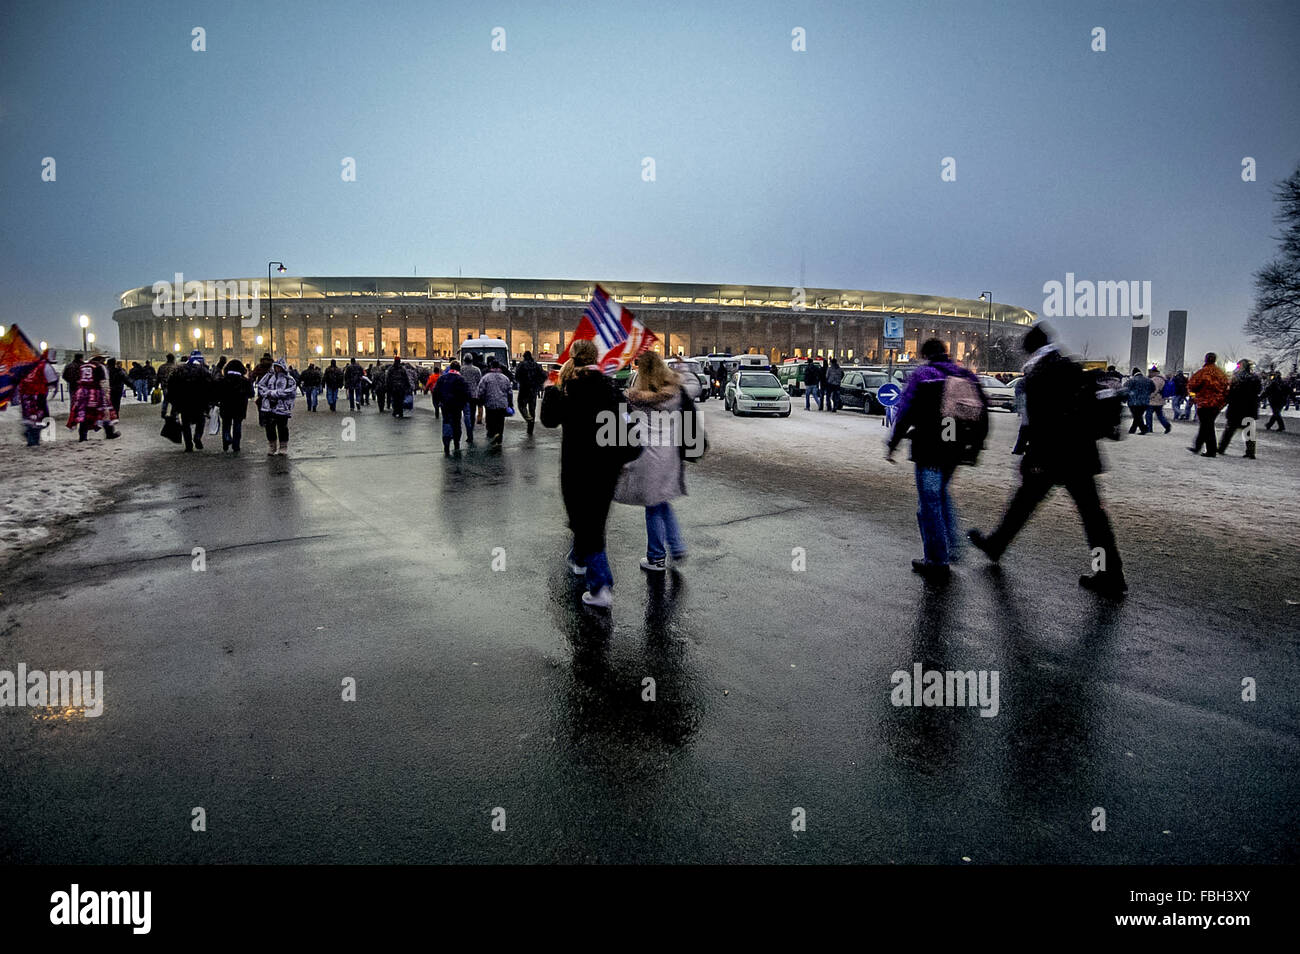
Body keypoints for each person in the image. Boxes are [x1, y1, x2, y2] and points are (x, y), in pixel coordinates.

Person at [967, 324, 1127, 597]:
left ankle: (997, 545)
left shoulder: (1040, 374)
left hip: (1052, 456)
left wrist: (1032, 457)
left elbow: (1041, 423)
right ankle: (1108, 573)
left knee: (1024, 504)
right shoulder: (1068, 365)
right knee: (1092, 519)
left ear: (1030, 350)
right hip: (1080, 456)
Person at [540, 339, 636, 609]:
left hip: (577, 467)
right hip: (606, 469)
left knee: (586, 523)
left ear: (573, 357)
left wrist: (550, 390)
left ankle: (601, 585)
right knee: (593, 520)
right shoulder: (610, 388)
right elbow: (628, 429)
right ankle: (579, 559)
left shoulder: (569, 389)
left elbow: (548, 420)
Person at [885, 338, 988, 580]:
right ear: (946, 352)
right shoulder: (966, 375)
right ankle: (952, 547)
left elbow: (906, 411)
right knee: (941, 495)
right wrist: (976, 448)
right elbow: (983, 412)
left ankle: (937, 560)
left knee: (929, 503)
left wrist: (893, 443)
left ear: (925, 355)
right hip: (955, 449)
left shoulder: (924, 375)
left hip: (929, 448)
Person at [615, 351, 691, 572]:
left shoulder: (636, 398)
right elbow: (692, 391)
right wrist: (682, 368)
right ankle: (676, 546)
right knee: (661, 500)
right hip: (671, 454)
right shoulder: (675, 393)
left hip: (648, 454)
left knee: (653, 505)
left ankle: (657, 557)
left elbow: (624, 421)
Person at [66, 354, 119, 441]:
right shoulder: (99, 367)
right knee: (104, 412)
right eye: (103, 359)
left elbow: (77, 379)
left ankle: (83, 436)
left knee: (85, 414)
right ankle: (109, 432)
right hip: (95, 392)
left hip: (82, 393)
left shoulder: (83, 366)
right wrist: (106, 394)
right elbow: (103, 381)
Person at [168, 350, 212, 451]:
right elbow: (210, 386)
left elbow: (172, 386)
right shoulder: (203, 370)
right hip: (199, 401)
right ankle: (197, 436)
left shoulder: (179, 370)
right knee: (201, 420)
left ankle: (188, 445)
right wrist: (209, 401)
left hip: (184, 401)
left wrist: (173, 401)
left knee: (185, 423)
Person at [1186, 352, 1230, 457]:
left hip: (1204, 403)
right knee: (1206, 424)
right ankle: (1198, 446)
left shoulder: (1202, 373)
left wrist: (1194, 396)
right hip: (1217, 403)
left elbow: (1192, 385)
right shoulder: (1221, 374)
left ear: (1206, 359)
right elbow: (1227, 389)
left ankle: (1211, 450)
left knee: (1207, 426)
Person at [1218, 359, 1263, 458]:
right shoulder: (1255, 378)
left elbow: (1230, 393)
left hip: (1236, 408)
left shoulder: (1236, 378)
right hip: (1250, 409)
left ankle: (1221, 448)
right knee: (1249, 432)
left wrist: (1225, 402)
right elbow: (1259, 391)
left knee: (1229, 431)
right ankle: (1250, 452)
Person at [257, 356, 296, 455]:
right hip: (269, 407)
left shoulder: (289, 379)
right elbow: (261, 386)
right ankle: (272, 446)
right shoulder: (269, 376)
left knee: (282, 427)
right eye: (276, 367)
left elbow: (291, 391)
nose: (277, 369)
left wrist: (275, 393)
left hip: (282, 408)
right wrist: (267, 393)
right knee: (269, 427)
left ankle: (283, 446)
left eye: (279, 367)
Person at [19, 352, 59, 446]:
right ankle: (33, 440)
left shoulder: (26, 365)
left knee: (29, 417)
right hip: (38, 395)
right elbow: (52, 381)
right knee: (41, 418)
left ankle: (30, 434)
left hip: (25, 395)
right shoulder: (44, 366)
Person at [432, 361, 472, 455]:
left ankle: (446, 444)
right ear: (459, 369)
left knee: (446, 422)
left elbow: (435, 391)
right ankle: (456, 443)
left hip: (445, 405)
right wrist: (463, 404)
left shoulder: (442, 378)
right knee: (456, 423)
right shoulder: (461, 379)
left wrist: (438, 403)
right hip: (457, 407)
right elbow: (466, 394)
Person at [215, 359, 254, 453]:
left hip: (226, 406)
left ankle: (226, 440)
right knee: (237, 425)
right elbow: (251, 394)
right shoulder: (244, 381)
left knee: (226, 425)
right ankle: (236, 446)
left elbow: (217, 393)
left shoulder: (223, 380)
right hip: (239, 407)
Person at [479, 359, 514, 445]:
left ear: (491, 367)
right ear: (499, 367)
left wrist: (481, 400)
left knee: (490, 419)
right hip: (502, 403)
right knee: (500, 421)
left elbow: (481, 390)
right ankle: (499, 436)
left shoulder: (486, 378)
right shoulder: (505, 378)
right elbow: (510, 392)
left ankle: (492, 434)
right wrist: (510, 403)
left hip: (490, 403)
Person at [515, 350, 547, 435]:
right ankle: (530, 429)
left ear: (524, 357)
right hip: (533, 390)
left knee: (521, 405)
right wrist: (538, 384)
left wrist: (521, 381)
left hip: (524, 389)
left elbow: (516, 377)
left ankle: (527, 418)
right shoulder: (537, 365)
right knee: (532, 409)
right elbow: (544, 376)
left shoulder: (521, 365)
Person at [459, 353, 482, 445]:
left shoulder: (461, 369)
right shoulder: (477, 370)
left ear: (464, 360)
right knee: (472, 414)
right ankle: (470, 430)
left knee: (464, 414)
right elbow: (479, 382)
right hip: (474, 395)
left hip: (463, 395)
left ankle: (466, 432)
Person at [1125, 367, 1154, 434]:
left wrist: (1125, 398)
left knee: (1137, 416)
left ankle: (1143, 429)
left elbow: (1126, 390)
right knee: (1138, 416)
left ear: (1133, 373)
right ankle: (1133, 430)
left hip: (1133, 401)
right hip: (1145, 401)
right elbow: (1153, 389)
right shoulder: (1148, 380)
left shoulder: (1131, 381)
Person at [1146, 366, 1171, 434]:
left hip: (1154, 400)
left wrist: (1149, 397)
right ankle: (1166, 425)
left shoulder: (1155, 379)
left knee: (1148, 414)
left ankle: (1149, 428)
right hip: (1160, 400)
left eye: (1150, 372)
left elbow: (1155, 390)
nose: (1149, 374)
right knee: (1159, 415)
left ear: (1154, 373)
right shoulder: (1162, 378)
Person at [1011, 375, 1029, 454]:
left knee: (1025, 428)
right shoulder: (1025, 381)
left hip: (1028, 409)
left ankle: (1019, 448)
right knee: (1025, 428)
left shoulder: (1022, 381)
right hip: (1028, 409)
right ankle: (1020, 448)